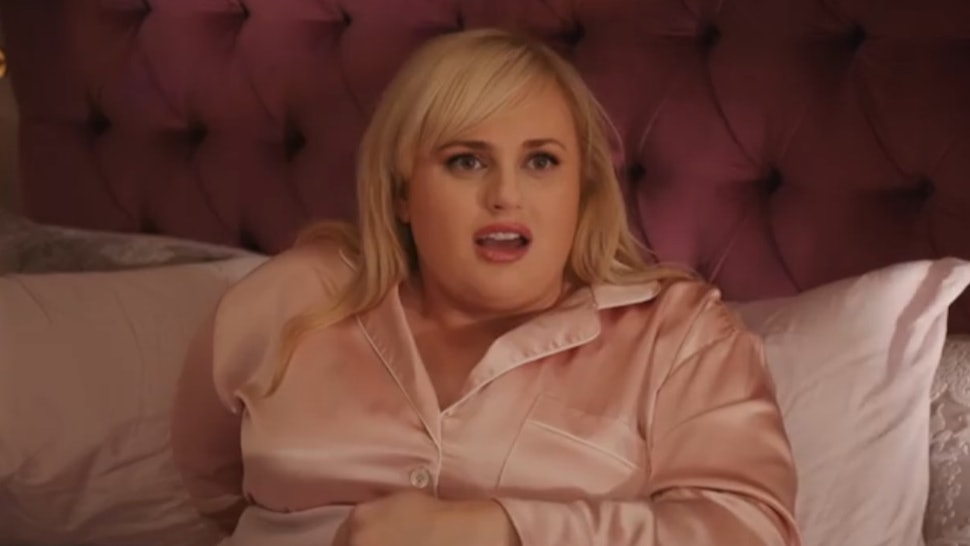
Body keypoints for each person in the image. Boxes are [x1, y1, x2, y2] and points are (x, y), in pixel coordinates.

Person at [170, 28, 801, 546]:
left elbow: (749, 531)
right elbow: (214, 490)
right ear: (402, 194)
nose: (505, 195)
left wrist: (497, 530)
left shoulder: (679, 337)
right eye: (466, 161)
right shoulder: (290, 298)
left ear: (581, 192)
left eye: (541, 161)